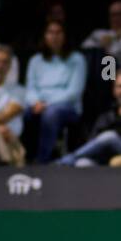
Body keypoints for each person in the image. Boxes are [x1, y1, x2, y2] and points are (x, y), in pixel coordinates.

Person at [56, 69, 121, 166]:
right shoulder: (106, 117)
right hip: (105, 161)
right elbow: (93, 142)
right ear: (114, 91)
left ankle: (64, 161)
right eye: (120, 86)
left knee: (110, 137)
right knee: (83, 163)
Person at [24, 20, 87, 163]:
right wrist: (35, 102)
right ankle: (25, 157)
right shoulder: (35, 60)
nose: (54, 36)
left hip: (68, 107)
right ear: (44, 36)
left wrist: (46, 104)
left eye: (58, 32)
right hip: (39, 104)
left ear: (65, 36)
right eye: (50, 32)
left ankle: (42, 161)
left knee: (51, 113)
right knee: (26, 113)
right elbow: (30, 89)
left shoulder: (77, 59)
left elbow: (74, 92)